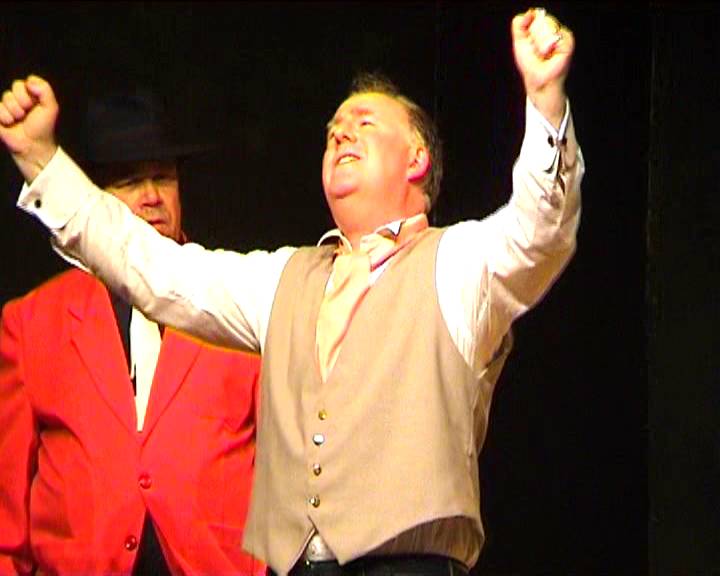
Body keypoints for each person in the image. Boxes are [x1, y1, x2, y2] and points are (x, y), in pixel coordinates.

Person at [0, 7, 582, 576]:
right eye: (333, 132)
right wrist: (40, 160)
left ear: (416, 159)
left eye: (364, 124)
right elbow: (154, 270)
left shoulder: (457, 264)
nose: (342, 132)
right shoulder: (284, 279)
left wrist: (545, 100)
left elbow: (541, 231)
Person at [0, 89, 265, 575]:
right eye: (129, 181)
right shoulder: (33, 322)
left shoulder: (235, 301)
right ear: (92, 200)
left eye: (163, 177)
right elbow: (5, 512)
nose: (152, 196)